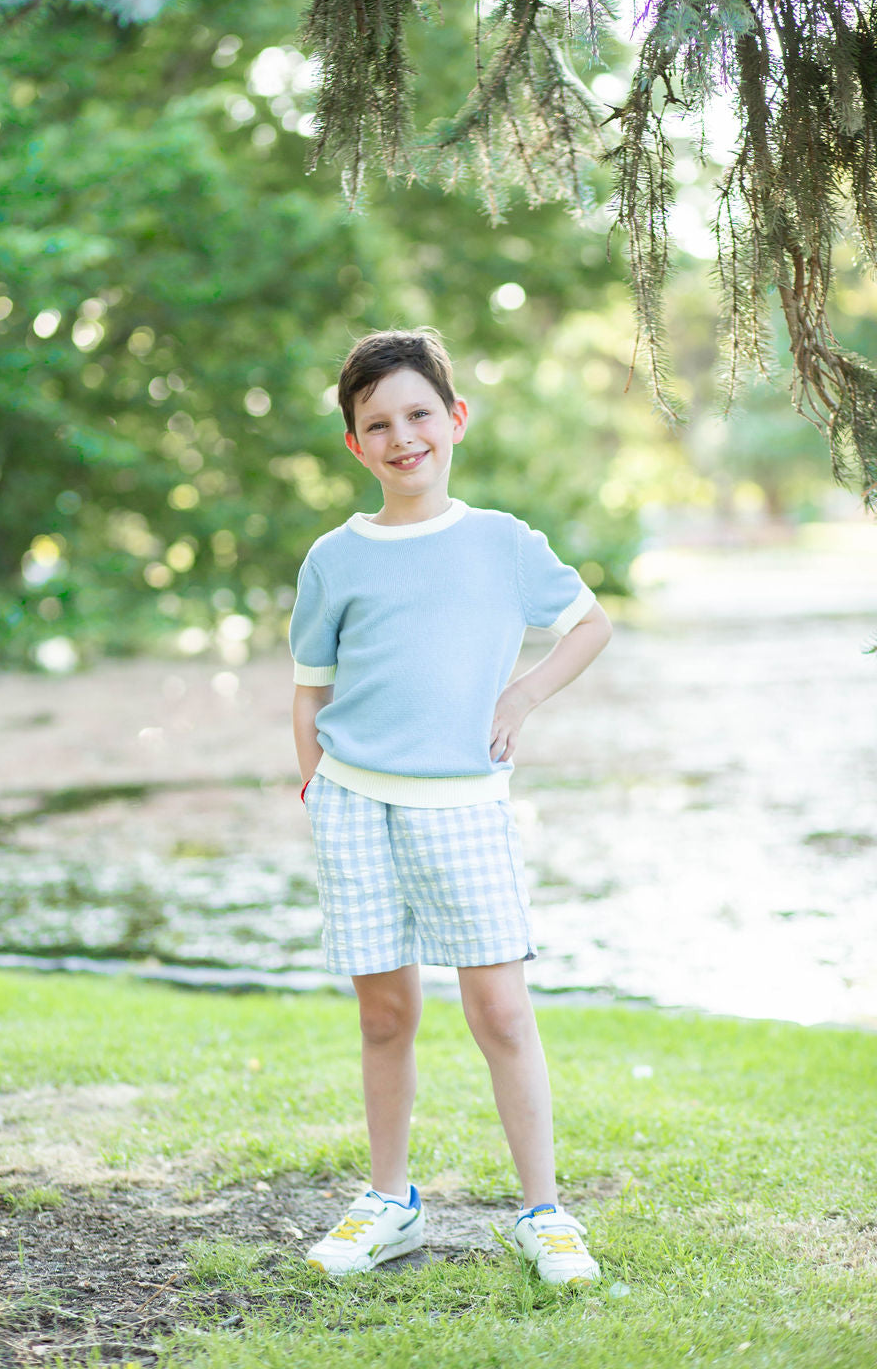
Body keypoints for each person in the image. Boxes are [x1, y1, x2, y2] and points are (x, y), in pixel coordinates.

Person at [289, 329, 612, 1285]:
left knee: (502, 1011)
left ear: (455, 418)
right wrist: (314, 782)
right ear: (356, 444)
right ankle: (391, 1203)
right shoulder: (334, 558)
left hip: (465, 807)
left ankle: (542, 1212)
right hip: (356, 805)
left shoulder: (503, 543)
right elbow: (309, 686)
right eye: (377, 424)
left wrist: (519, 697)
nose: (403, 437)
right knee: (385, 1015)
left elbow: (590, 625)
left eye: (419, 414)